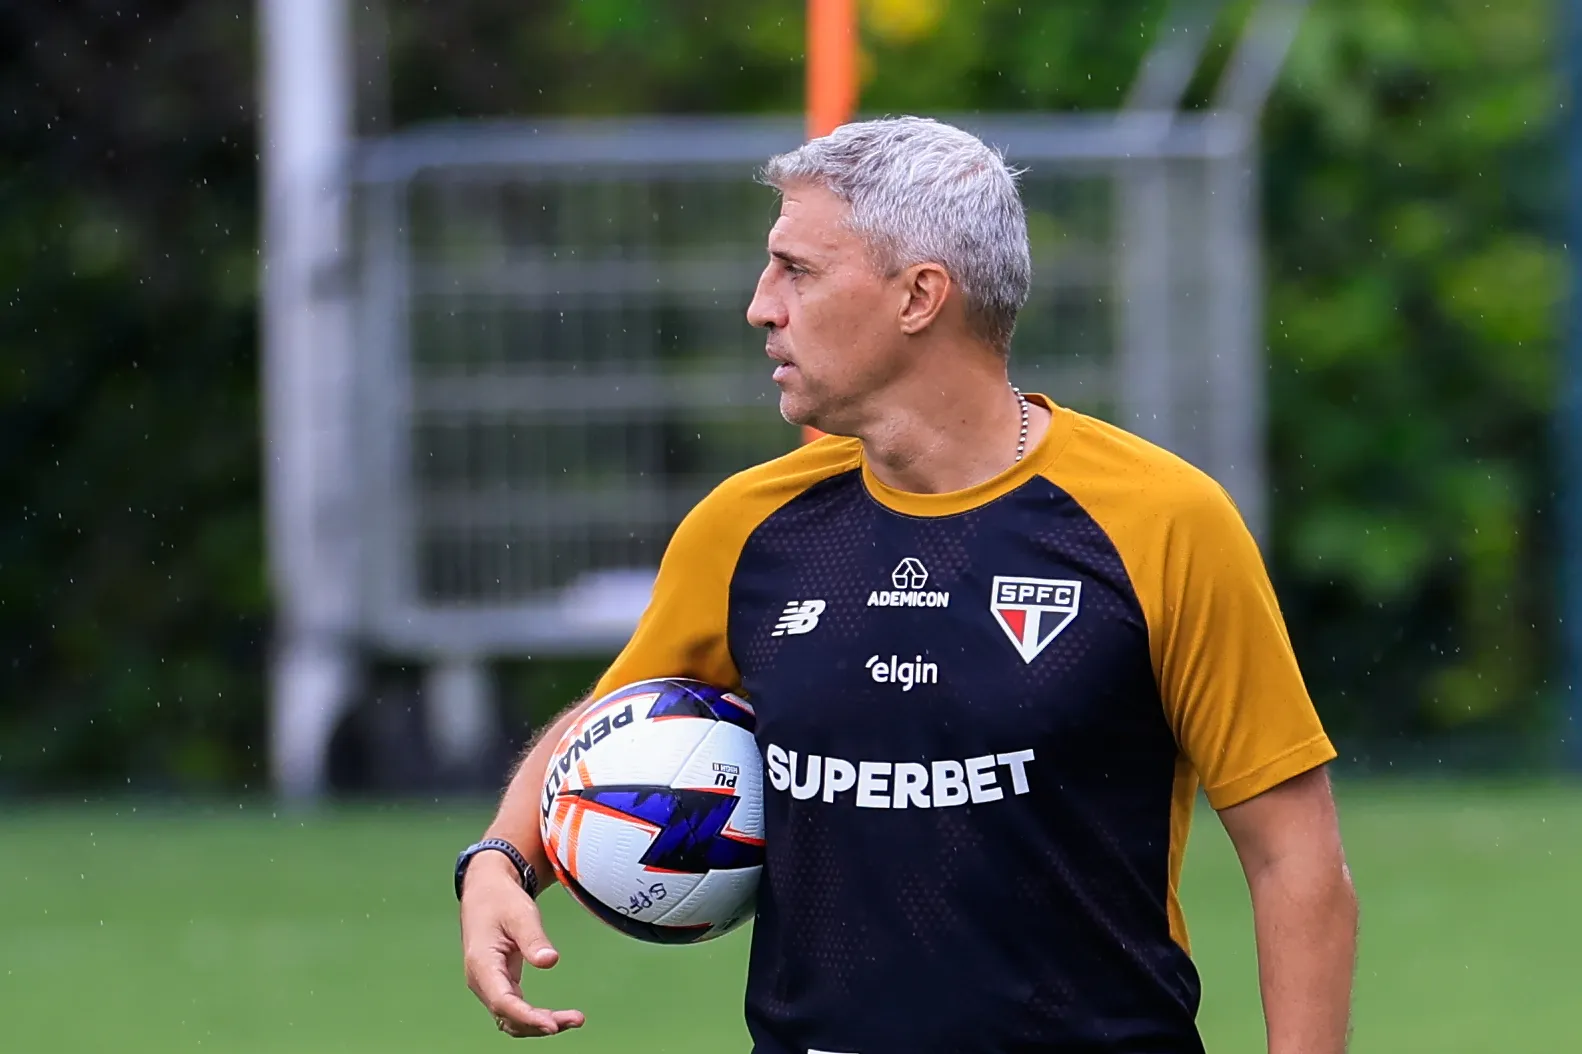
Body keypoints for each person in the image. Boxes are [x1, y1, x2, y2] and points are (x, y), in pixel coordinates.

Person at [454, 115, 1359, 1053]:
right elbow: (610, 724)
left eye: (797, 270)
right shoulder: (747, 527)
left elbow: (1295, 861)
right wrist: (498, 860)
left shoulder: (1163, 521)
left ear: (921, 296)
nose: (762, 305)